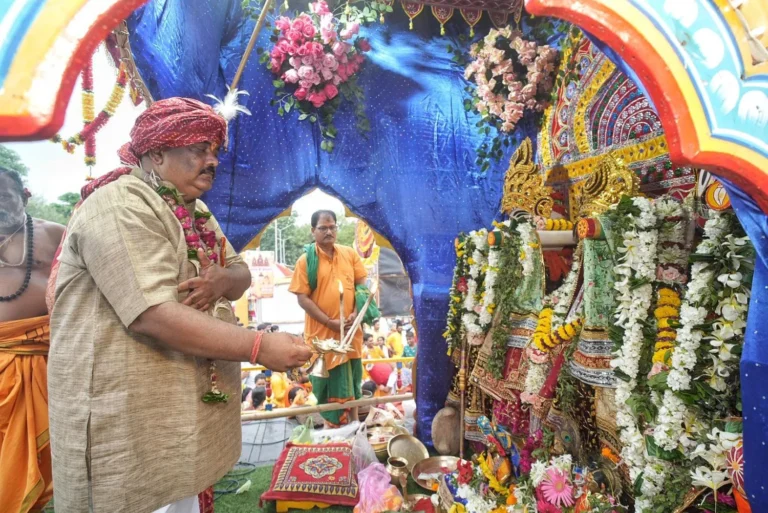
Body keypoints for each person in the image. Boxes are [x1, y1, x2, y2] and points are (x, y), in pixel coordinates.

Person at [47, 98, 312, 513]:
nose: (212, 161)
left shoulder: (196, 211)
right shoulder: (119, 204)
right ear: (156, 153)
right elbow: (151, 314)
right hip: (127, 415)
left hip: (178, 410)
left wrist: (224, 279)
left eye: (214, 151)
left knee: (180, 493)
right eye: (199, 149)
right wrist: (259, 347)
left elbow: (240, 274)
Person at [0, 169, 65, 513]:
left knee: (37, 462)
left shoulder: (53, 234)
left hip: (44, 367)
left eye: (4, 197)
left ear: (24, 198)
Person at [289, 210, 369, 426]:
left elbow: (362, 284)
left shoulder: (349, 254)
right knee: (325, 383)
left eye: (332, 227)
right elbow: (303, 299)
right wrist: (329, 322)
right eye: (323, 228)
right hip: (323, 336)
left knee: (352, 379)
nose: (329, 231)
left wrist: (356, 312)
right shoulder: (306, 261)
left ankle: (353, 423)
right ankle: (332, 425)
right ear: (312, 231)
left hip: (351, 331)